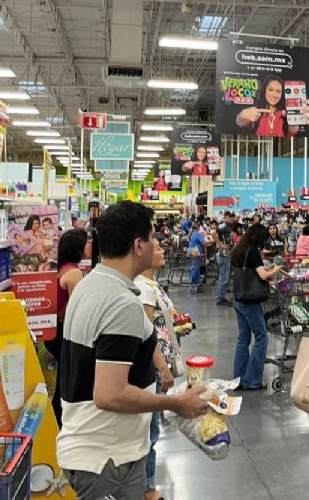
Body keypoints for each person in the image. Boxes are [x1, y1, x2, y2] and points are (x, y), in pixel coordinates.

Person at [57, 201, 207, 498]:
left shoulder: (89, 285)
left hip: (88, 448)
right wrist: (176, 404)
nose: (156, 244)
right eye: (152, 238)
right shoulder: (120, 304)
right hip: (109, 460)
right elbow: (109, 393)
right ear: (138, 245)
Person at [134, 238, 178, 500]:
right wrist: (162, 365)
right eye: (158, 247)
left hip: (159, 362)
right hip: (151, 366)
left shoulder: (151, 284)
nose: (163, 251)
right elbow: (147, 332)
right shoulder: (142, 287)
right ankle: (147, 489)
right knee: (149, 431)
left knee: (152, 428)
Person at [231, 223, 283, 390]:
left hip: (239, 299)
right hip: (251, 302)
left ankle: (239, 378)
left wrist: (267, 268)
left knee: (243, 340)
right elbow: (263, 275)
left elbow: (253, 271)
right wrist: (277, 269)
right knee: (261, 338)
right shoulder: (253, 251)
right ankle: (253, 380)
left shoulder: (239, 250)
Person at [45, 228, 86, 427]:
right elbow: (79, 308)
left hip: (53, 331)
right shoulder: (74, 273)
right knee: (66, 375)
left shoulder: (59, 269)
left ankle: (57, 413)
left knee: (61, 372)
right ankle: (60, 415)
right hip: (64, 332)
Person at [234, 74, 307, 137]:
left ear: (282, 95)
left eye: (278, 91)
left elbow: (293, 131)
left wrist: (294, 118)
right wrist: (242, 115)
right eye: (271, 89)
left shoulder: (284, 114)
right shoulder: (256, 111)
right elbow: (239, 123)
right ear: (264, 91)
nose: (274, 95)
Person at [213, 212, 238, 305]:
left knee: (225, 277)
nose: (231, 218)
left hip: (227, 254)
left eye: (232, 216)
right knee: (223, 277)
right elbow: (212, 232)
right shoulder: (223, 226)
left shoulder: (229, 226)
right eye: (229, 217)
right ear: (225, 217)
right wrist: (220, 244)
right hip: (223, 255)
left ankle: (221, 297)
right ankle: (220, 298)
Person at [186, 222, 207, 287]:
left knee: (195, 267)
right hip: (196, 253)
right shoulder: (198, 234)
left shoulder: (191, 234)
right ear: (198, 227)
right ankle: (194, 282)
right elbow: (204, 242)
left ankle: (196, 281)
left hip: (192, 252)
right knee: (196, 267)